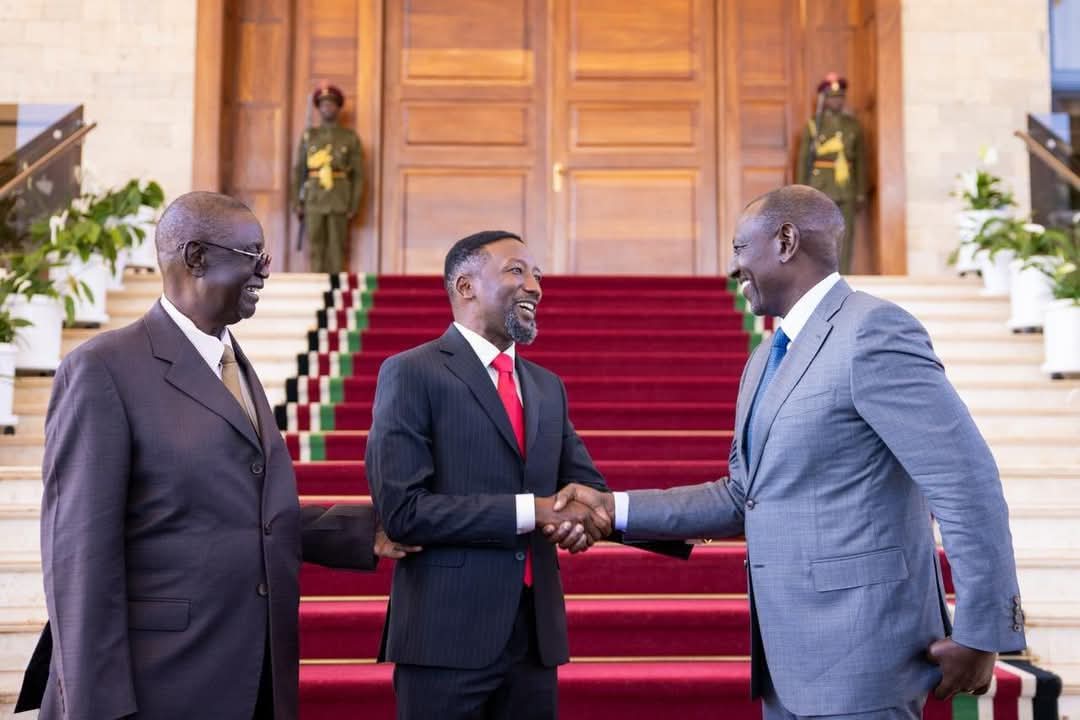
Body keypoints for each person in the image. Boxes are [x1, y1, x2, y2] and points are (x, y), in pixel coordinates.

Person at [554, 185, 1026, 719]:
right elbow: (743, 497)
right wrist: (613, 509)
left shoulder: (873, 330)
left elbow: (965, 481)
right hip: (786, 661)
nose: (734, 268)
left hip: (864, 657)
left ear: (785, 240)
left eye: (738, 248)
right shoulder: (763, 360)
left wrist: (983, 630)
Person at [16, 191, 410, 720]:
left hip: (254, 677)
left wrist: (364, 532)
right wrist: (95, 705)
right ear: (196, 257)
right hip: (159, 682)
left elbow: (234, 513)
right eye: (255, 256)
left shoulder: (234, 363)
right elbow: (79, 555)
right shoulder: (103, 369)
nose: (267, 272)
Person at [366, 230, 688, 720]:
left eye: (537, 275)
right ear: (465, 286)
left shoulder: (546, 387)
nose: (535, 286)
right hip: (444, 638)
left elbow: (588, 495)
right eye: (516, 271)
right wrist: (535, 512)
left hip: (534, 640)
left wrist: (691, 523)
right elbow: (404, 511)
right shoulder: (411, 372)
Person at [795, 72, 867, 274]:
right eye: (833, 97)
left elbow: (860, 160)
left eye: (840, 97)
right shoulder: (813, 125)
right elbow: (803, 161)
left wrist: (861, 191)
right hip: (820, 186)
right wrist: (801, 190)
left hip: (846, 186)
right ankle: (821, 274)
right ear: (824, 100)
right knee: (820, 233)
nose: (837, 101)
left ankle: (842, 273)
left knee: (846, 232)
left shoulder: (853, 126)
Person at [292, 82, 364, 273]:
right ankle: (316, 288)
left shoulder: (349, 137)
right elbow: (299, 170)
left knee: (336, 247)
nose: (327, 107)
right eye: (323, 104)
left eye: (331, 104)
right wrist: (296, 202)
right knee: (315, 245)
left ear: (338, 107)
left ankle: (335, 289)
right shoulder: (309, 136)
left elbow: (358, 174)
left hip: (339, 197)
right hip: (313, 198)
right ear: (318, 108)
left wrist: (354, 204)